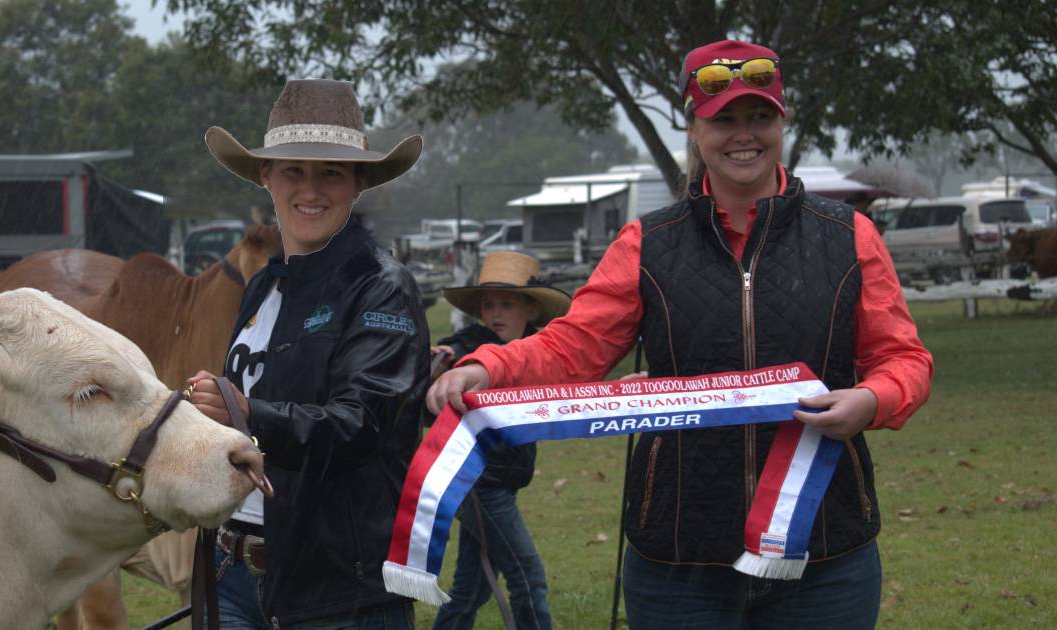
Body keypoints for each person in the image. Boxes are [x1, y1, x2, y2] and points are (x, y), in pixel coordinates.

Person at [428, 40, 933, 629]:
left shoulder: (851, 236)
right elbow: (570, 349)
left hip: (827, 550)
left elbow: (904, 358)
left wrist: (873, 399)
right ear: (694, 128)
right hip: (678, 557)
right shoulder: (647, 244)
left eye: (759, 117)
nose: (743, 134)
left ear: (781, 123)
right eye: (723, 120)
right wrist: (487, 367)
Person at [186, 79, 430, 629]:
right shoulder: (263, 289)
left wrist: (247, 414)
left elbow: (359, 425)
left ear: (358, 183)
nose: (310, 189)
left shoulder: (381, 286)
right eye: (293, 170)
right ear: (266, 178)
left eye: (331, 172)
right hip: (230, 572)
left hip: (338, 591)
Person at [429, 252, 571, 630]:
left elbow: (569, 381)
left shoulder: (536, 352)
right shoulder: (475, 343)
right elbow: (457, 347)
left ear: (530, 308)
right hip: (478, 484)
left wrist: (614, 392)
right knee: (528, 575)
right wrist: (446, 358)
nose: (495, 313)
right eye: (488, 304)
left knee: (470, 590)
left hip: (502, 484)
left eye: (506, 303)